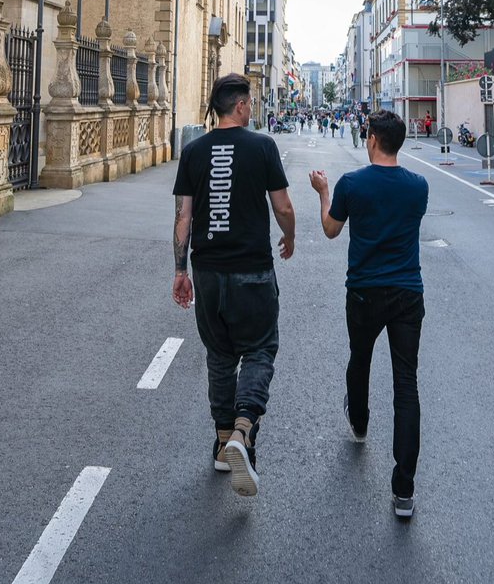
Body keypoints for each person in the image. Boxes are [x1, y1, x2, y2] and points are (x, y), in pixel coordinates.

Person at [172, 72, 296, 498]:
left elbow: (183, 217)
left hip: (207, 272)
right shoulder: (262, 146)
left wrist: (180, 270)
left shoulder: (193, 151)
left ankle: (223, 442)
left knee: (220, 357)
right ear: (241, 106)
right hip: (253, 272)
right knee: (260, 349)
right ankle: (244, 429)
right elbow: (282, 206)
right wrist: (291, 235)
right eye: (250, 103)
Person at [309, 110, 428, 519]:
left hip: (363, 292)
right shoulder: (419, 186)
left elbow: (330, 229)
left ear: (374, 139)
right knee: (406, 384)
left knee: (360, 361)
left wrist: (323, 192)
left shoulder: (351, 184)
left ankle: (359, 423)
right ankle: (404, 490)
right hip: (408, 293)